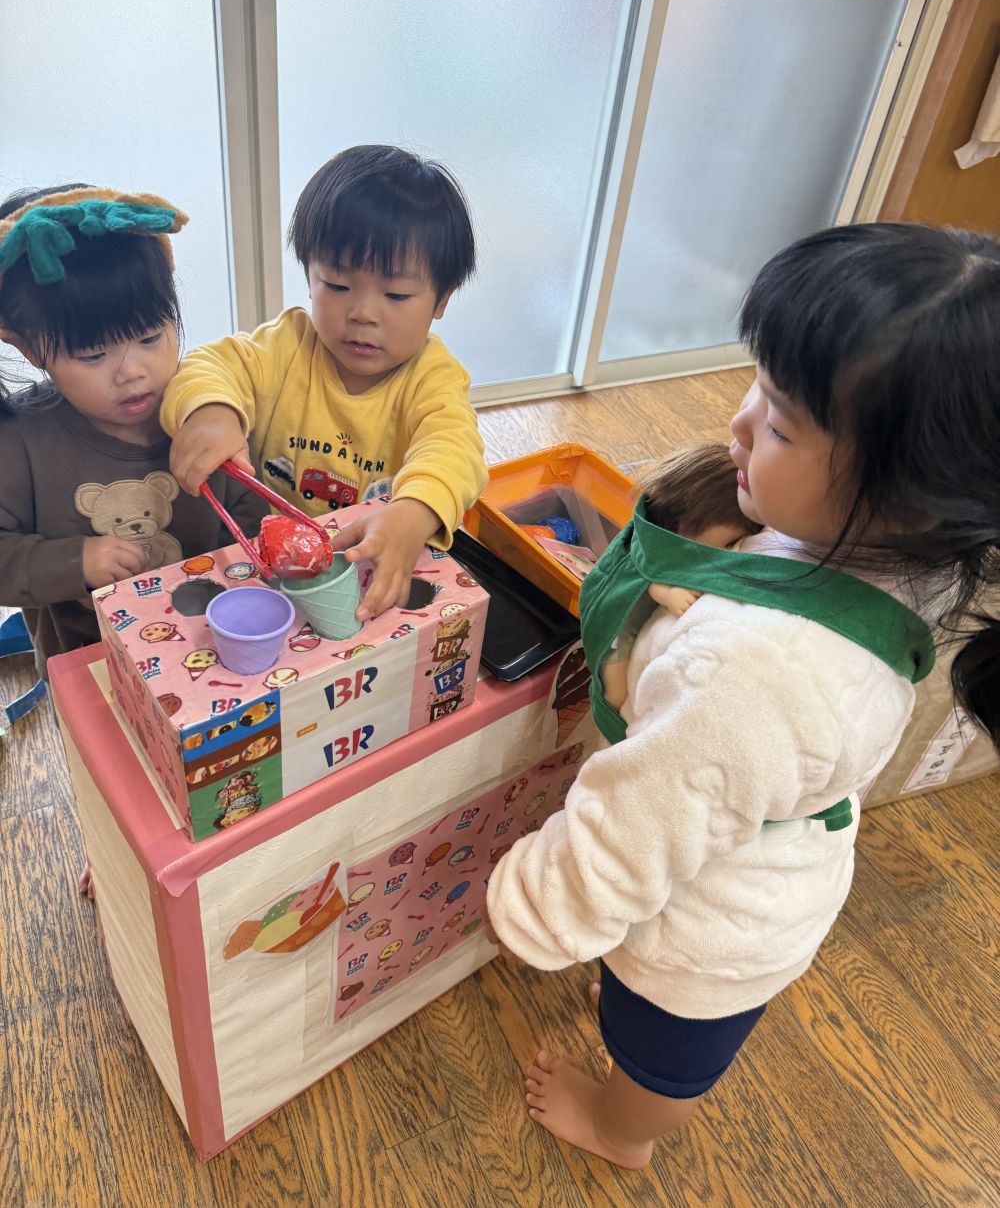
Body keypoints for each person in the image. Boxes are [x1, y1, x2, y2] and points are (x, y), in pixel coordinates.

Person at [485, 222, 1000, 1169]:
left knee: (664, 1061)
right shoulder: (906, 550)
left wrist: (535, 904)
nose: (738, 423)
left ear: (910, 499)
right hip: (755, 844)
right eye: (757, 384)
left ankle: (618, 1132)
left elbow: (632, 831)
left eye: (781, 424)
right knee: (647, 1001)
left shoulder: (755, 672)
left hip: (711, 935)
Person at [162, 145, 488, 621]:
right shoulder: (289, 344)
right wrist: (213, 411)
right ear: (310, 275)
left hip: (362, 569)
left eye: (396, 294)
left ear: (441, 300)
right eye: (336, 285)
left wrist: (414, 512)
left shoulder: (431, 377)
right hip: (260, 562)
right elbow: (211, 364)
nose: (361, 313)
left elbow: (454, 449)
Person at [0, 184, 267, 682]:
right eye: (93, 355)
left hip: (214, 653)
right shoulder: (20, 441)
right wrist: (73, 562)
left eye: (150, 338)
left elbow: (249, 509)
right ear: (28, 347)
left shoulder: (201, 407)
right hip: (91, 671)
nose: (132, 372)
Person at [598, 441, 760, 711]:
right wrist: (670, 593)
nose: (731, 550)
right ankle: (607, 706)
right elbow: (651, 578)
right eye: (728, 543)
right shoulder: (663, 546)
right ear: (684, 528)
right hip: (622, 633)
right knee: (614, 686)